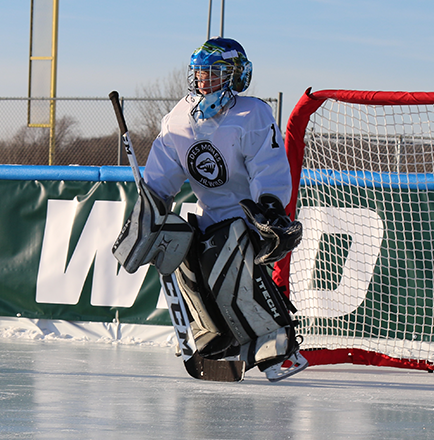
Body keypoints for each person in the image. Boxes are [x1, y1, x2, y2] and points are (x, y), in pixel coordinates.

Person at [124, 37, 307, 381]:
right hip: (210, 216)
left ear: (237, 75)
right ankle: (215, 338)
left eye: (214, 72)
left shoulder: (252, 113)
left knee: (228, 255)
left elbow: (268, 166)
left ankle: (276, 345)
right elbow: (162, 178)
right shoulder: (178, 118)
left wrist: (269, 206)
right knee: (184, 252)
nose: (204, 79)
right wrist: (149, 211)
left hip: (250, 217)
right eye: (199, 72)